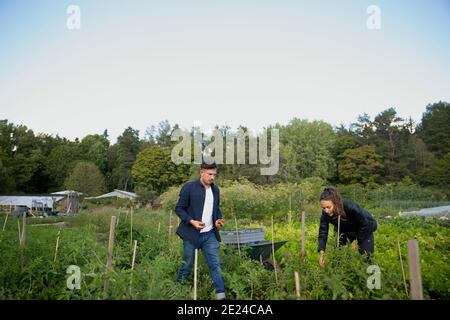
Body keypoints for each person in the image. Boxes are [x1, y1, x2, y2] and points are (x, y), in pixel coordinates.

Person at [175, 161, 226, 300]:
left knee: (215, 265)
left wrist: (217, 219)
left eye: (214, 174)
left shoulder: (215, 190)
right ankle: (177, 291)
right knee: (187, 265)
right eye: (209, 174)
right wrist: (192, 221)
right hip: (192, 234)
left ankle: (220, 295)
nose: (212, 177)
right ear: (201, 172)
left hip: (210, 235)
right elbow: (179, 208)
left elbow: (216, 209)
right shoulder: (189, 187)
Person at [317, 187, 377, 267]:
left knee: (366, 257)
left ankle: (367, 275)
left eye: (328, 207)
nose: (326, 211)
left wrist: (356, 241)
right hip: (345, 230)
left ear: (336, 203)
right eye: (323, 208)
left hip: (364, 228)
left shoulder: (350, 207)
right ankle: (338, 274)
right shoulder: (325, 213)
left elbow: (365, 224)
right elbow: (323, 232)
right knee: (337, 256)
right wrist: (322, 253)